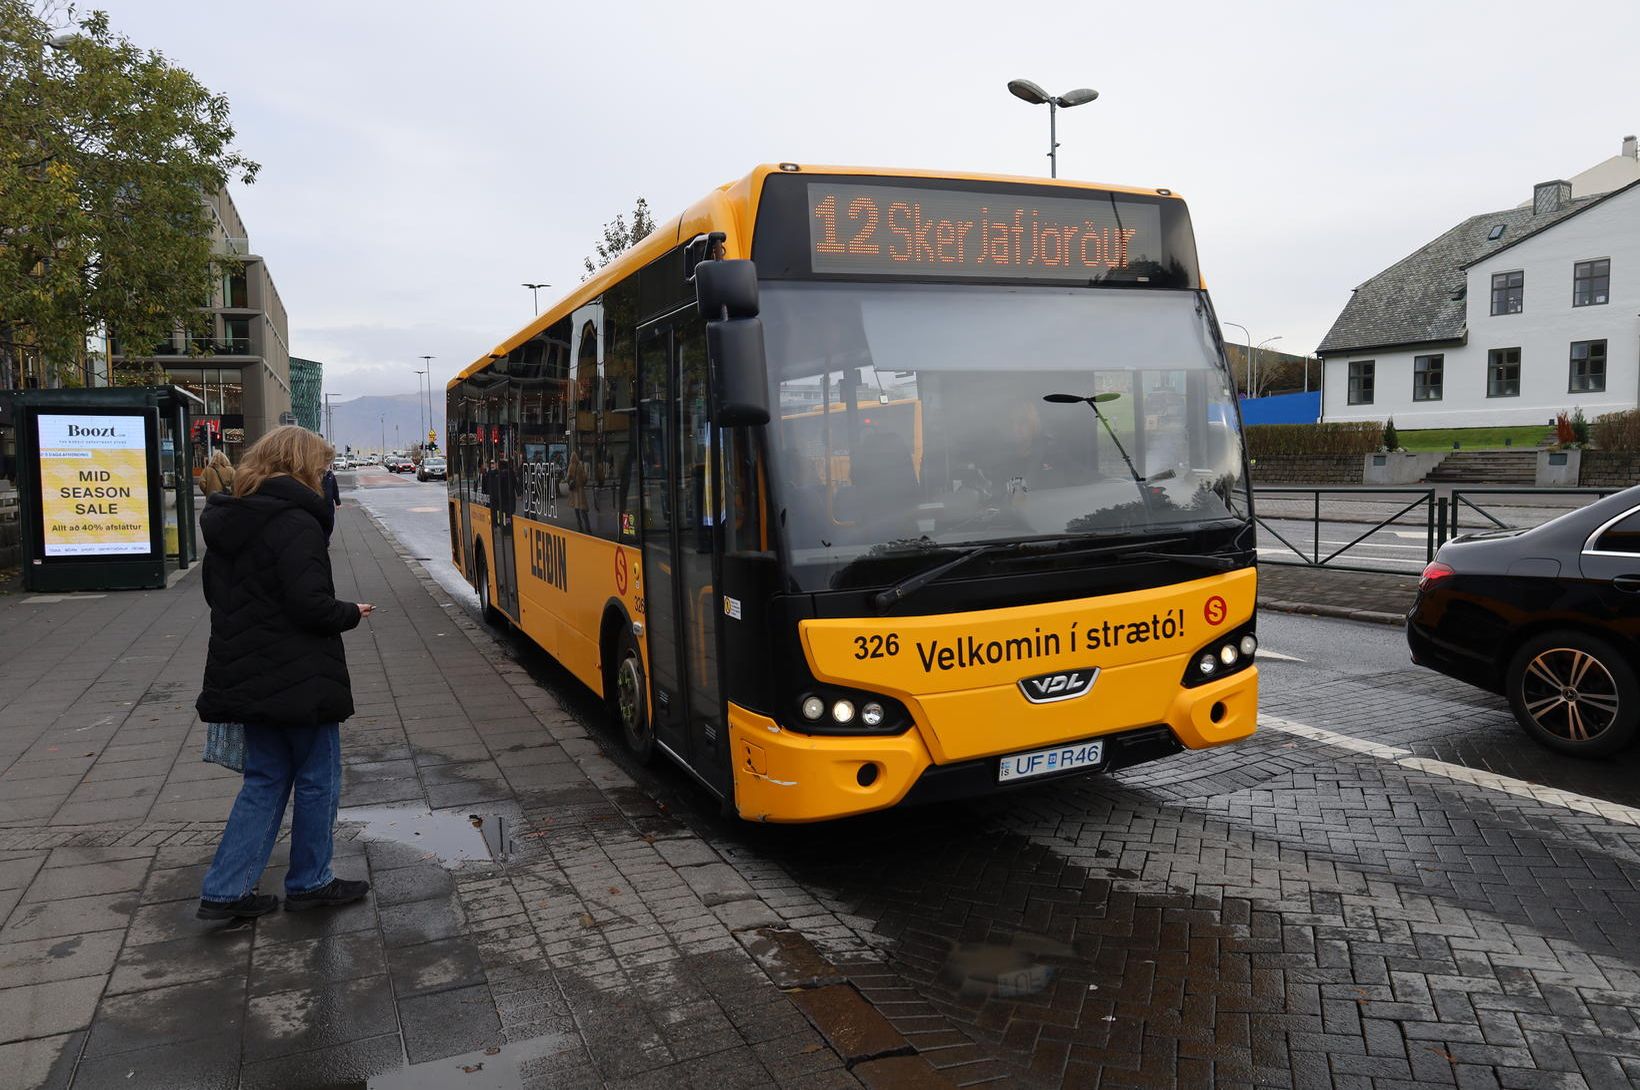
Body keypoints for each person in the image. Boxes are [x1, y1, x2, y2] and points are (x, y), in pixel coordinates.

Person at [194, 425, 373, 920]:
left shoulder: (231, 517)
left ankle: (226, 889)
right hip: (298, 674)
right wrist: (351, 612)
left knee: (265, 778)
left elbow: (218, 597)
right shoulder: (295, 522)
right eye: (321, 466)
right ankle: (311, 881)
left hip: (246, 669)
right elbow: (310, 605)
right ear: (300, 466)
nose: (324, 474)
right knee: (319, 778)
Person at [568, 450, 589, 532]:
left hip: (574, 491)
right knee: (583, 509)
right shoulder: (580, 466)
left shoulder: (570, 466)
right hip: (580, 490)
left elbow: (568, 478)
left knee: (576, 509)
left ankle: (580, 525)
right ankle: (587, 526)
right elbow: (584, 478)